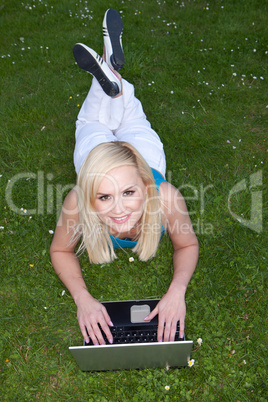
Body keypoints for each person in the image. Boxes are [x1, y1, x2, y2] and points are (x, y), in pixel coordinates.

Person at [50, 9, 199, 346]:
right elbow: (60, 251)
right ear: (90, 195)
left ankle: (109, 77)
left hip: (128, 156)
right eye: (103, 197)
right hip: (100, 159)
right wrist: (82, 300)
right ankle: (113, 80)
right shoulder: (79, 199)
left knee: (94, 121)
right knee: (124, 110)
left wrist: (178, 291)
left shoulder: (165, 197)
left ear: (147, 186)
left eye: (129, 193)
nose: (118, 210)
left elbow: (188, 243)